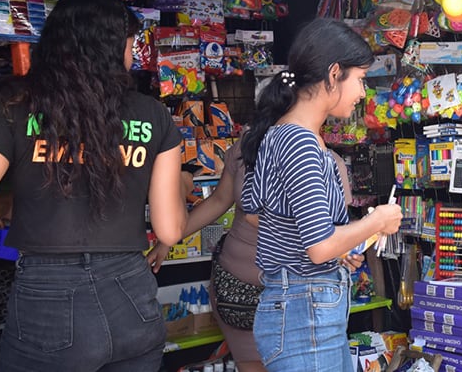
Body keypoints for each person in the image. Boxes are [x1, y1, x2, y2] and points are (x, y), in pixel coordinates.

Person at [0, 0, 187, 371]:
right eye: (130, 44)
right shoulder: (152, 114)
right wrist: (181, 188)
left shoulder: (13, 106)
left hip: (47, 298)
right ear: (111, 47)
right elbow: (169, 230)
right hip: (132, 296)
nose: (132, 56)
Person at [240, 17, 402, 372]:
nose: (362, 93)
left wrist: (339, 248)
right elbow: (320, 246)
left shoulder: (278, 133)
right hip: (304, 312)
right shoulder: (300, 142)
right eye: (359, 79)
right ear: (333, 74)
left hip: (300, 308)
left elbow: (257, 214)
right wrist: (375, 221)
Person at [147, 132, 359, 372]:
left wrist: (347, 252)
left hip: (294, 298)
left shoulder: (328, 161)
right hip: (238, 294)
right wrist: (170, 238)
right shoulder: (246, 148)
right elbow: (218, 201)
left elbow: (335, 235)